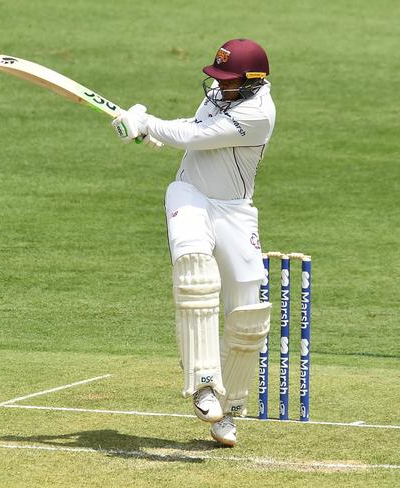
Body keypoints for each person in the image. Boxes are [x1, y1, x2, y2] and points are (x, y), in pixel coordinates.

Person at [112, 39, 276, 446]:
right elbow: (193, 129)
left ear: (254, 82)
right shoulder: (226, 93)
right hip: (189, 195)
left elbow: (199, 136)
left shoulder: (258, 113)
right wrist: (159, 134)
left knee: (250, 313)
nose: (219, 87)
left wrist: (148, 123)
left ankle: (230, 408)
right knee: (196, 273)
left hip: (235, 210)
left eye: (229, 80)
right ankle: (203, 385)